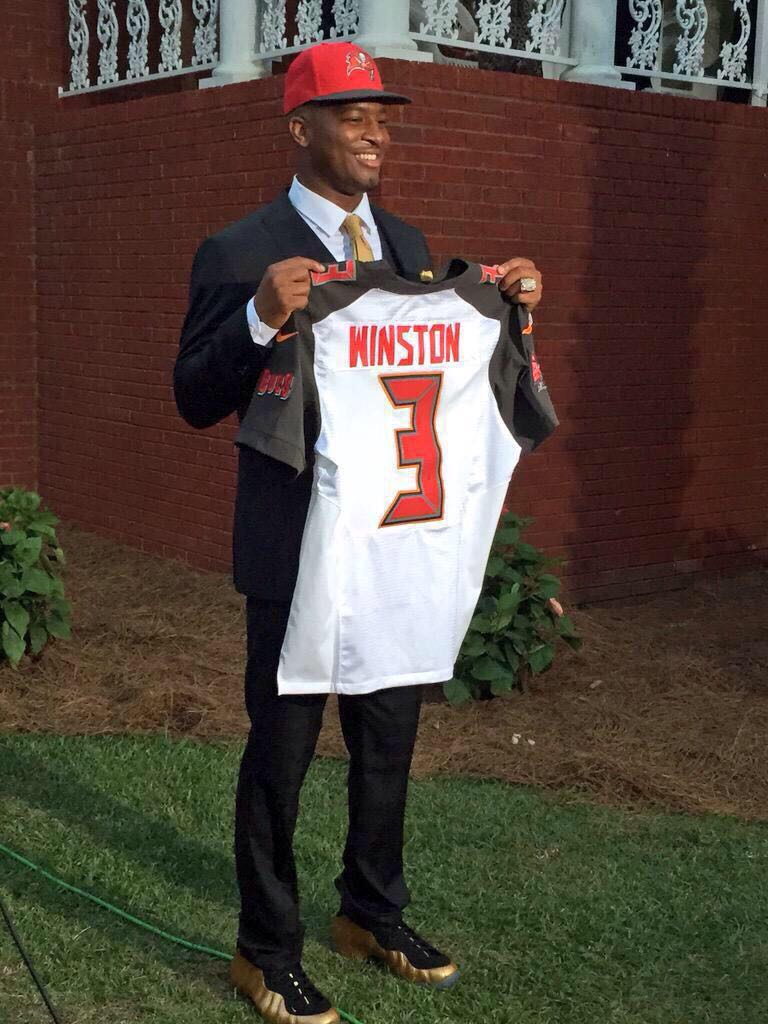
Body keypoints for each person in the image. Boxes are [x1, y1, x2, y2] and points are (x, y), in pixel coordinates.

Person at [174, 41, 543, 1024]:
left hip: (391, 546)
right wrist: (258, 315)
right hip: (295, 553)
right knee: (281, 754)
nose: (378, 128)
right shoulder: (240, 249)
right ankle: (265, 949)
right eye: (353, 113)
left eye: (386, 112)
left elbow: (437, 366)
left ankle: (371, 911)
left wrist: (506, 308)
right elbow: (192, 396)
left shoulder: (412, 246)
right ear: (301, 129)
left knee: (389, 741)